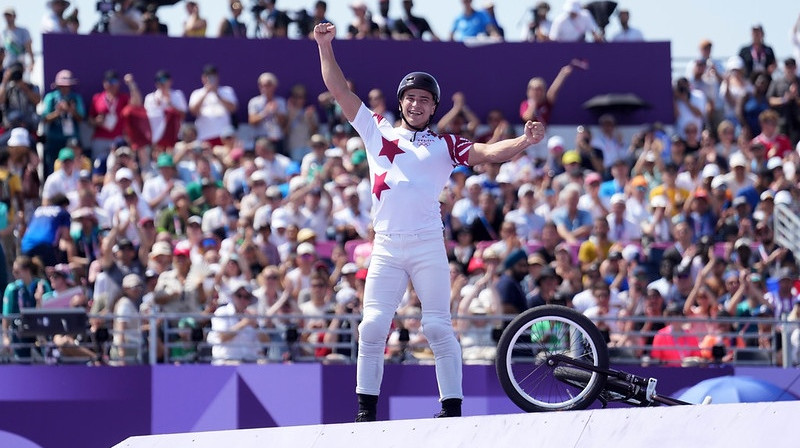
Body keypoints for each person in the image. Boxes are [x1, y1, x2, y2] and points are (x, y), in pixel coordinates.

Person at [313, 21, 545, 421]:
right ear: (400, 101)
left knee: (438, 328)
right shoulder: (375, 129)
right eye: (411, 98)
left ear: (434, 107)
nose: (417, 105)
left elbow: (490, 152)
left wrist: (525, 141)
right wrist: (324, 45)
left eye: (425, 99)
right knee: (371, 328)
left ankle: (451, 409)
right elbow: (339, 90)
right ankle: (366, 412)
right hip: (385, 245)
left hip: (426, 244)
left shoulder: (445, 145)